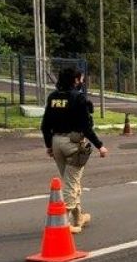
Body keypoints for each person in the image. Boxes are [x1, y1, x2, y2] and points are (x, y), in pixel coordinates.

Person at [41, 67, 108, 233]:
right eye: (81, 79)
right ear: (76, 80)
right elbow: (86, 127)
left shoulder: (53, 97)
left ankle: (79, 217)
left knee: (71, 181)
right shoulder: (78, 98)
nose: (82, 82)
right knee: (71, 183)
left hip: (56, 142)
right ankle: (62, 221)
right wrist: (100, 145)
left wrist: (49, 145)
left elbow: (44, 126)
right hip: (73, 144)